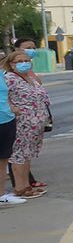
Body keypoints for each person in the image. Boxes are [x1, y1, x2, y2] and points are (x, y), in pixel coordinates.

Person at [3, 48, 48, 199]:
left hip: (35, 123)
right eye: (20, 61)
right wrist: (12, 108)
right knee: (19, 154)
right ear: (11, 64)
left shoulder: (29, 78)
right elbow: (3, 96)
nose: (24, 64)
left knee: (27, 154)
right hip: (22, 122)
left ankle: (27, 185)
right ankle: (20, 188)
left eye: (27, 61)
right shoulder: (9, 78)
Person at [0, 59, 23, 205]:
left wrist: (11, 108)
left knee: (3, 160)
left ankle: (1, 195)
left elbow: (5, 96)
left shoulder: (2, 75)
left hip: (6, 120)